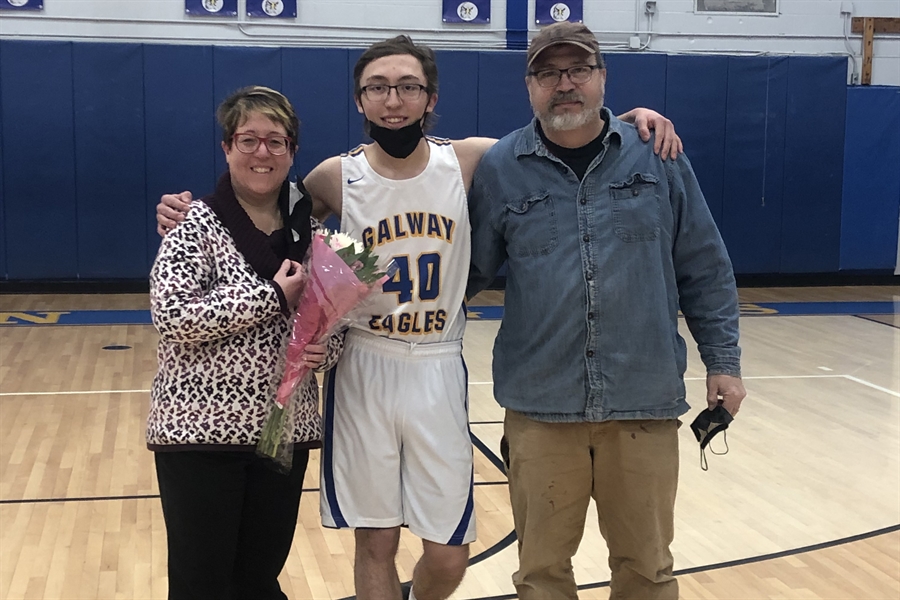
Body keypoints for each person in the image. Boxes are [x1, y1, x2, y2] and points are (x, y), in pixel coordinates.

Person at [156, 36, 682, 600]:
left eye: (408, 87)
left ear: (431, 98)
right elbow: (263, 200)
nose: (393, 100)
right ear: (360, 101)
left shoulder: (472, 158)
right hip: (365, 364)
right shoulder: (334, 177)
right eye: (378, 88)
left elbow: (561, 130)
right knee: (375, 542)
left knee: (449, 555)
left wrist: (629, 121)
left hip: (436, 361)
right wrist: (192, 210)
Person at [466, 22, 747, 600]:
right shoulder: (501, 167)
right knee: (541, 574)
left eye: (578, 71)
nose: (563, 84)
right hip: (540, 406)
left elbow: (704, 265)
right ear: (529, 86)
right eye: (548, 73)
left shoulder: (656, 154)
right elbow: (467, 273)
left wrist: (724, 361)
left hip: (641, 401)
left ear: (601, 78)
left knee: (646, 569)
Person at [148, 86, 342, 600]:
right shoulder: (194, 223)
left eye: (276, 141)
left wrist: (329, 347)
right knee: (202, 582)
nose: (262, 153)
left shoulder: (313, 230)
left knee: (258, 577)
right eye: (248, 139)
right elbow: (173, 316)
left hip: (282, 435)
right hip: (200, 436)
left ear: (292, 151)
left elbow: (333, 323)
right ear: (227, 148)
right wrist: (272, 295)